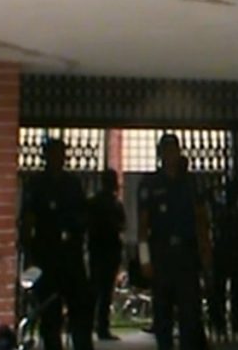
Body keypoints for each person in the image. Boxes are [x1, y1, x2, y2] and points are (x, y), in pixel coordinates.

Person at [138, 134, 213, 350]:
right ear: (160, 154)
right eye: (166, 150)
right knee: (163, 314)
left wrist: (205, 249)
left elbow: (200, 217)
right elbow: (143, 224)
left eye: (174, 150)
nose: (170, 155)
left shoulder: (189, 183)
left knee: (190, 313)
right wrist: (144, 258)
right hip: (161, 254)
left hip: (187, 255)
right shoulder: (150, 183)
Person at [22, 139, 94, 350]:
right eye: (53, 154)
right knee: (50, 313)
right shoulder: (36, 184)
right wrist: (29, 253)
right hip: (46, 254)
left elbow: (83, 214)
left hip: (71, 255)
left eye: (61, 154)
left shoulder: (72, 184)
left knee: (80, 309)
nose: (57, 159)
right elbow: (28, 218)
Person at [88, 169, 127, 341]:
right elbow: (122, 225)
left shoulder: (94, 203)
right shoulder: (115, 204)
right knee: (105, 292)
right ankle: (102, 327)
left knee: (95, 291)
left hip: (97, 250)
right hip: (109, 250)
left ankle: (88, 325)